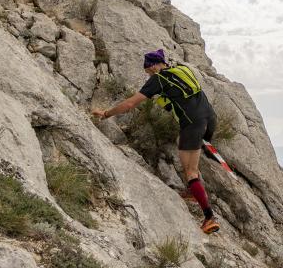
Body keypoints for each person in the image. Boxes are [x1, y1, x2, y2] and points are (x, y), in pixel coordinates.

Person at [92, 49, 221, 234]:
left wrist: (106, 113)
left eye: (148, 71)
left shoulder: (158, 79)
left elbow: (130, 104)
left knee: (190, 171)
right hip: (209, 119)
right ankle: (193, 191)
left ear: (152, 66)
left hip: (192, 124)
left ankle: (209, 217)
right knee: (187, 152)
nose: (148, 74)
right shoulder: (182, 69)